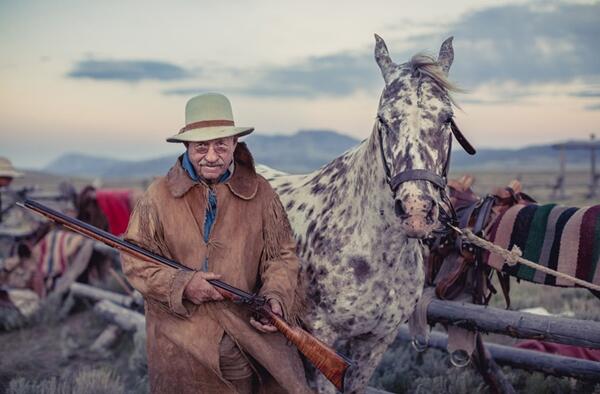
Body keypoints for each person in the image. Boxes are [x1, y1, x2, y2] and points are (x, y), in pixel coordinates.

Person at [121, 93, 311, 394]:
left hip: (246, 335)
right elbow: (136, 261)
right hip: (179, 338)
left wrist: (276, 296)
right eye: (201, 146)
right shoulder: (157, 196)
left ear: (235, 144)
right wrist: (183, 284)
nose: (212, 156)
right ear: (187, 146)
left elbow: (282, 256)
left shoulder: (261, 194)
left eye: (221, 144)